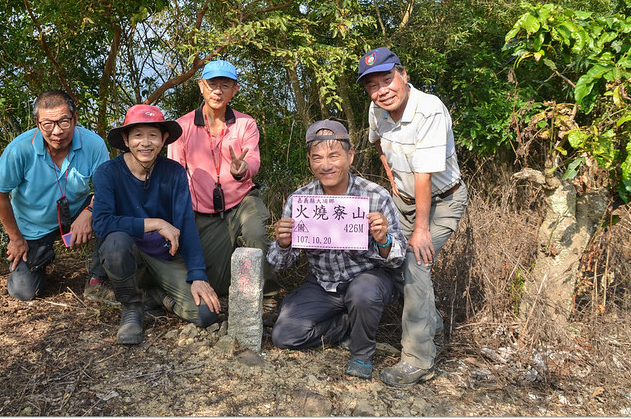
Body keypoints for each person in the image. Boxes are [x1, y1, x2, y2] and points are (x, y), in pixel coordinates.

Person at [357, 46, 468, 387]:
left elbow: (425, 175)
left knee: (415, 262)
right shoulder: (377, 110)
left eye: (388, 79)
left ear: (403, 75)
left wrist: (420, 229)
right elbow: (379, 144)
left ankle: (418, 359)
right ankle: (429, 320)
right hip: (404, 198)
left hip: (442, 201)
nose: (382, 90)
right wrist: (393, 182)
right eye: (373, 85)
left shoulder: (429, 111)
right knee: (385, 256)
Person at [267, 120, 407, 379]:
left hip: (369, 279)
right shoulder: (302, 201)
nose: (326, 165)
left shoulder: (375, 196)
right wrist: (283, 243)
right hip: (323, 283)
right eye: (317, 157)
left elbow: (398, 259)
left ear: (350, 156)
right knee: (284, 335)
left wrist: (383, 239)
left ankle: (362, 353)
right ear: (309, 160)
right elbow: (278, 264)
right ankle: (345, 325)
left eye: (334, 155)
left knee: (362, 292)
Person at [91, 104, 221, 345]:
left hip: (163, 254)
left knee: (206, 314)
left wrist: (198, 275)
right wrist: (155, 223)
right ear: (125, 139)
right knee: (115, 242)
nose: (145, 142)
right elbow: (101, 223)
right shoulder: (107, 173)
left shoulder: (174, 172)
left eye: (153, 135)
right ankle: (132, 306)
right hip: (127, 254)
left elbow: (185, 223)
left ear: (163, 140)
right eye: (138, 135)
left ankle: (155, 296)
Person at [168, 59, 280, 306]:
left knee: (257, 233)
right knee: (216, 282)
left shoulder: (245, 123)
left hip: (242, 200)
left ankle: (269, 296)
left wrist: (242, 169)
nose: (217, 90)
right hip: (203, 210)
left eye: (225, 85)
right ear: (201, 87)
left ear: (235, 90)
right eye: (212, 84)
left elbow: (252, 158)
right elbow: (174, 173)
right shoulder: (182, 126)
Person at [0, 90, 109, 301]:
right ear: (37, 123)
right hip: (34, 224)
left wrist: (90, 212)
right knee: (23, 292)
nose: (57, 131)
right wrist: (15, 238)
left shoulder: (94, 145)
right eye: (48, 124)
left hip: (76, 211)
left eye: (64, 122)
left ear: (75, 118)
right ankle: (40, 259)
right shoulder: (19, 149)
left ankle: (98, 277)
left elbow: (108, 189)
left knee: (112, 210)